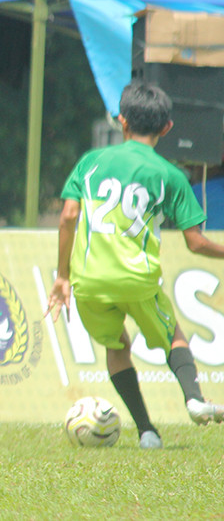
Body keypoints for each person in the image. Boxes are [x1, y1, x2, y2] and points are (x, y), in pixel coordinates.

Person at [46, 81, 224, 449]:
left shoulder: (90, 162)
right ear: (167, 128)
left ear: (121, 120)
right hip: (136, 278)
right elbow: (196, 242)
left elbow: (68, 216)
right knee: (173, 335)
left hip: (88, 280)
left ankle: (146, 431)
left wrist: (62, 276)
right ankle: (194, 399)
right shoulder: (170, 175)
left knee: (117, 346)